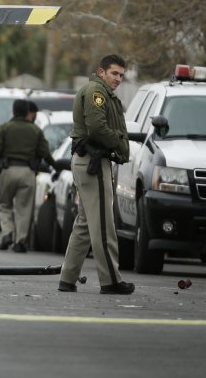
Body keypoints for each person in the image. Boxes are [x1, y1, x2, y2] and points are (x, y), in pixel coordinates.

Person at [58, 54, 134, 295]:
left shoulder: (101, 92)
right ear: (102, 72)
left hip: (89, 161)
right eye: (114, 73)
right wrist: (120, 145)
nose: (118, 79)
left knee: (84, 223)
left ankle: (67, 278)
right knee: (103, 225)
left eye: (121, 75)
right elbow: (97, 127)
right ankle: (110, 281)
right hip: (93, 162)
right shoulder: (96, 92)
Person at [0, 99, 57, 252]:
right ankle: (20, 242)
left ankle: (7, 233)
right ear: (27, 112)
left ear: (13, 111)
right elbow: (44, 153)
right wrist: (54, 165)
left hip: (8, 170)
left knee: (4, 204)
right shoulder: (36, 131)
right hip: (28, 172)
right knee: (24, 208)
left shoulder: (3, 128)